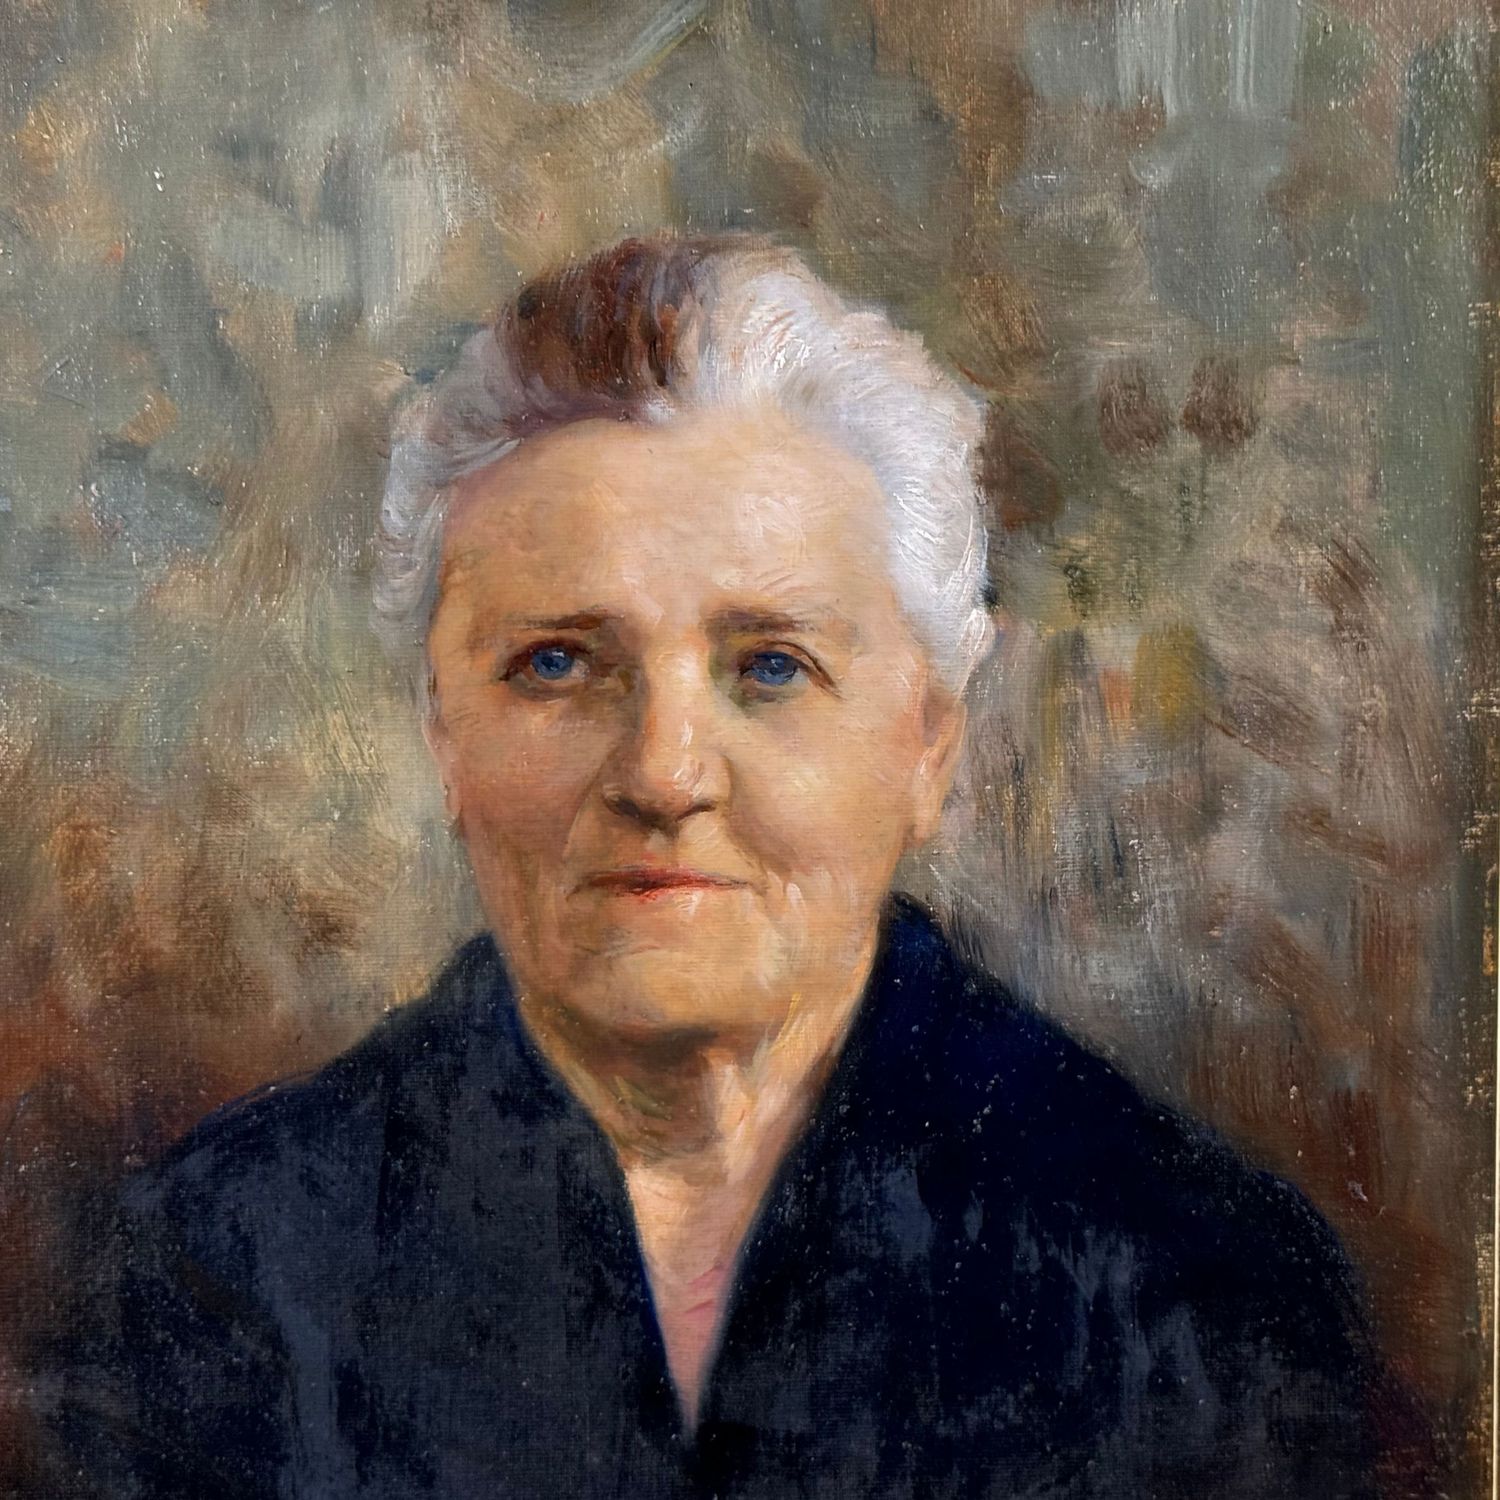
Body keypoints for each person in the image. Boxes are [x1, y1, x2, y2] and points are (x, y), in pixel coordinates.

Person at [50, 234, 1382, 1498]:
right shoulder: (214, 1278)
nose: (665, 773)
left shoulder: (1199, 1286)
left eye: (771, 669)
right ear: (444, 734)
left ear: (927, 742)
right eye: (557, 664)